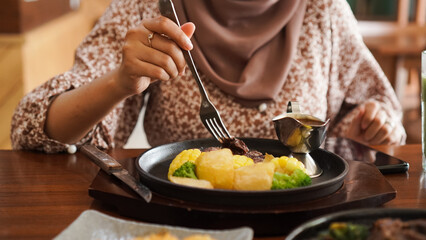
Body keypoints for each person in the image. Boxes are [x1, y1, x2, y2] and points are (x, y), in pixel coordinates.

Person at [10, 0, 406, 153]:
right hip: (181, 220)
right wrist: (117, 83)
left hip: (301, 221)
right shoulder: (153, 4)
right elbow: (31, 127)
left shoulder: (324, 8)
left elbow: (372, 111)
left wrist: (372, 127)